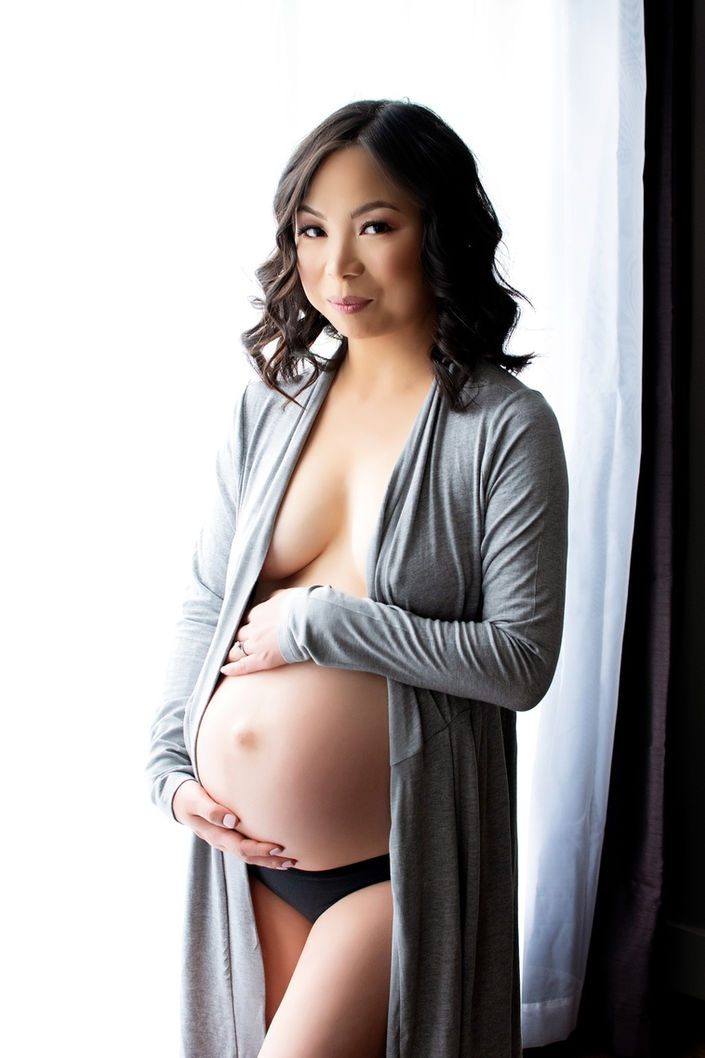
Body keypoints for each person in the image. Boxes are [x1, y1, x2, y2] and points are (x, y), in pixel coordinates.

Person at [147, 99, 568, 1058]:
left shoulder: (505, 427)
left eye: (375, 226)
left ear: (442, 230)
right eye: (311, 230)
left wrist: (321, 627)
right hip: (240, 862)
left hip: (395, 865)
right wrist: (168, 769)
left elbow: (520, 662)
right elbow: (208, 605)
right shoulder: (272, 404)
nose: (336, 266)